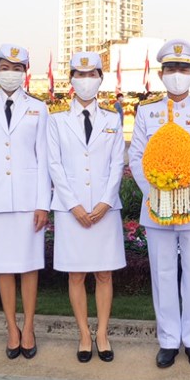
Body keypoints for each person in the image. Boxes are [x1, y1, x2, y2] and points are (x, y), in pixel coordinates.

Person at [129, 39, 190, 369]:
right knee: (163, 273)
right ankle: (169, 340)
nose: (177, 74)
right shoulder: (146, 112)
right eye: (171, 69)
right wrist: (155, 192)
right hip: (157, 207)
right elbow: (136, 156)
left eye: (183, 69)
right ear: (161, 74)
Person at [0, 42, 50, 359]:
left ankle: (28, 327)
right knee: (3, 267)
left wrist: (43, 203)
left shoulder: (39, 108)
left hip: (29, 201)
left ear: (25, 72)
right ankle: (11, 327)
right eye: (5, 68)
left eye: (17, 69)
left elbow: (43, 160)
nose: (10, 73)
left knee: (29, 267)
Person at [47, 52, 125, 362]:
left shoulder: (112, 119)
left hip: (105, 209)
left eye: (92, 74)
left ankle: (102, 333)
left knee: (104, 274)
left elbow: (117, 163)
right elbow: (54, 165)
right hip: (71, 210)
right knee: (76, 275)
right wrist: (74, 205)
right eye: (80, 75)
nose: (86, 80)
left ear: (101, 79)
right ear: (71, 80)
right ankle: (83, 333)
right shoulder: (56, 120)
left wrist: (106, 201)